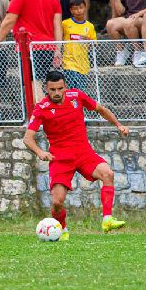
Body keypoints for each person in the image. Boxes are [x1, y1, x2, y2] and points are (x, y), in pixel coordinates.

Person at [24, 71, 130, 239]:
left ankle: (107, 219)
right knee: (57, 202)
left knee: (108, 174)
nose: (57, 93)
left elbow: (101, 109)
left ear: (65, 87)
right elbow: (27, 138)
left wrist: (118, 125)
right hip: (60, 158)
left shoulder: (76, 96)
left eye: (60, 89)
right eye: (53, 90)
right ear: (46, 88)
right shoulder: (41, 108)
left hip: (83, 153)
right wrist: (40, 152)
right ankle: (63, 231)